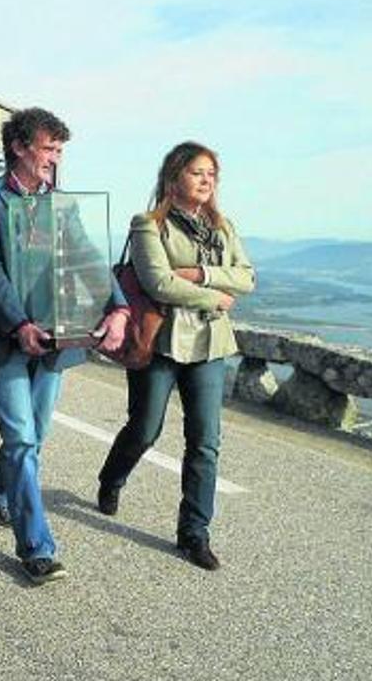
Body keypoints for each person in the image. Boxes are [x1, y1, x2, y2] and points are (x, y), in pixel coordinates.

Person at [0, 107, 128, 584]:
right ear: (19, 147)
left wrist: (118, 307)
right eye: (48, 148)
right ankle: (36, 546)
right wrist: (18, 325)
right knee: (21, 439)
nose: (54, 158)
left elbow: (87, 259)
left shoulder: (62, 204)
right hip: (7, 336)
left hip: (58, 335)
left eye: (59, 150)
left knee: (34, 433)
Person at [96, 141, 254, 570]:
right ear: (173, 177)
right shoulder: (147, 225)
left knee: (205, 442)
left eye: (211, 174)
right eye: (198, 172)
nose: (206, 181)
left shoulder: (224, 227)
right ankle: (112, 478)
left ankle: (193, 533)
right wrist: (214, 296)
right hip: (161, 341)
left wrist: (200, 273)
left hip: (210, 346)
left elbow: (247, 276)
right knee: (145, 428)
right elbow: (158, 283)